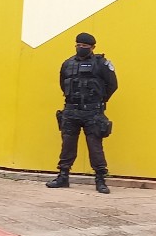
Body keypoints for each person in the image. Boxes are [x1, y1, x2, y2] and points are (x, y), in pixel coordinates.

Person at [46, 32, 118, 193]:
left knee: (95, 147)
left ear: (93, 47)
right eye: (78, 45)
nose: (81, 48)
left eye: (84, 46)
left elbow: (112, 85)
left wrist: (99, 101)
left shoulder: (102, 64)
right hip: (71, 111)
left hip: (92, 112)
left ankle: (100, 179)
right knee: (67, 145)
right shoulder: (67, 63)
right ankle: (63, 176)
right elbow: (62, 84)